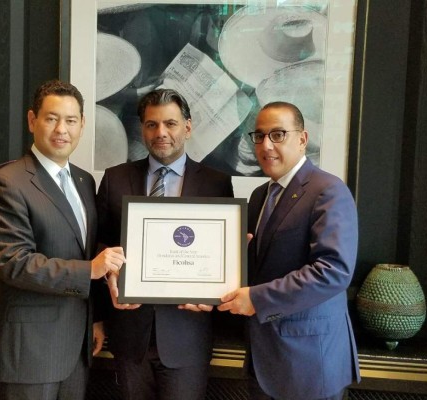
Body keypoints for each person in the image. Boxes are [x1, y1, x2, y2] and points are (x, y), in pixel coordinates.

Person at [0, 80, 124, 400]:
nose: (62, 129)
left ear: (82, 124)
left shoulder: (84, 181)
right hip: (27, 353)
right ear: (32, 120)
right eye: (51, 118)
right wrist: (90, 270)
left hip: (76, 350)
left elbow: (87, 249)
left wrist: (96, 318)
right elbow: (14, 263)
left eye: (71, 120)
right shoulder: (7, 183)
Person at [96, 88, 234, 400]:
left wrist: (216, 292)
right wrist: (108, 277)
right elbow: (100, 243)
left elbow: (222, 255)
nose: (161, 132)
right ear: (142, 129)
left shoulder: (216, 183)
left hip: (188, 335)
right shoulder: (115, 178)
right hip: (130, 333)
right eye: (152, 124)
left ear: (187, 127)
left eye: (170, 124)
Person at [218, 102, 360, 400]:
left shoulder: (328, 190)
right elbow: (257, 267)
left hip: (309, 363)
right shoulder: (260, 195)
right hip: (264, 359)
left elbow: (333, 272)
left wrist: (257, 298)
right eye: (259, 136)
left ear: (303, 139)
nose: (266, 145)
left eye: (278, 134)